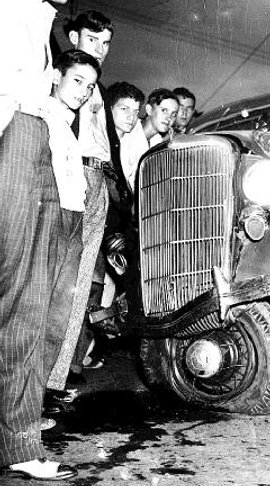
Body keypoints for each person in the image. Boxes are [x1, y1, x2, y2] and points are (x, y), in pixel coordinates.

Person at [0, 2, 79, 480]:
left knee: (29, 306)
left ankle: (18, 441)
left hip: (34, 142)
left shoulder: (39, 18)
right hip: (15, 139)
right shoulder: (11, 13)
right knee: (18, 302)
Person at [45, 10, 116, 392]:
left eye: (106, 44)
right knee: (60, 280)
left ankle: (56, 378)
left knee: (81, 284)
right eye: (92, 40)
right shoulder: (59, 79)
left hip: (98, 180)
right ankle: (40, 379)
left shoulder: (95, 87)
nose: (100, 49)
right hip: (74, 175)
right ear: (73, 38)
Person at [109, 82, 147, 195]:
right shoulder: (99, 143)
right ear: (109, 108)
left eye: (136, 112)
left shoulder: (134, 142)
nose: (131, 117)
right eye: (124, 109)